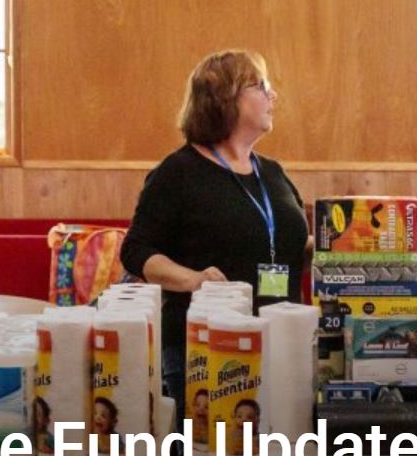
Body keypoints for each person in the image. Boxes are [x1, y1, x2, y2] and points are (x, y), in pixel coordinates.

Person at [120, 49, 309, 414]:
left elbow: (288, 246)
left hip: (280, 344)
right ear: (226, 97)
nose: (272, 95)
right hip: (205, 351)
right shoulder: (178, 172)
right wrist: (193, 279)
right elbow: (136, 250)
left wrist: (336, 251)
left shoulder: (272, 173)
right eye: (260, 85)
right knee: (211, 451)